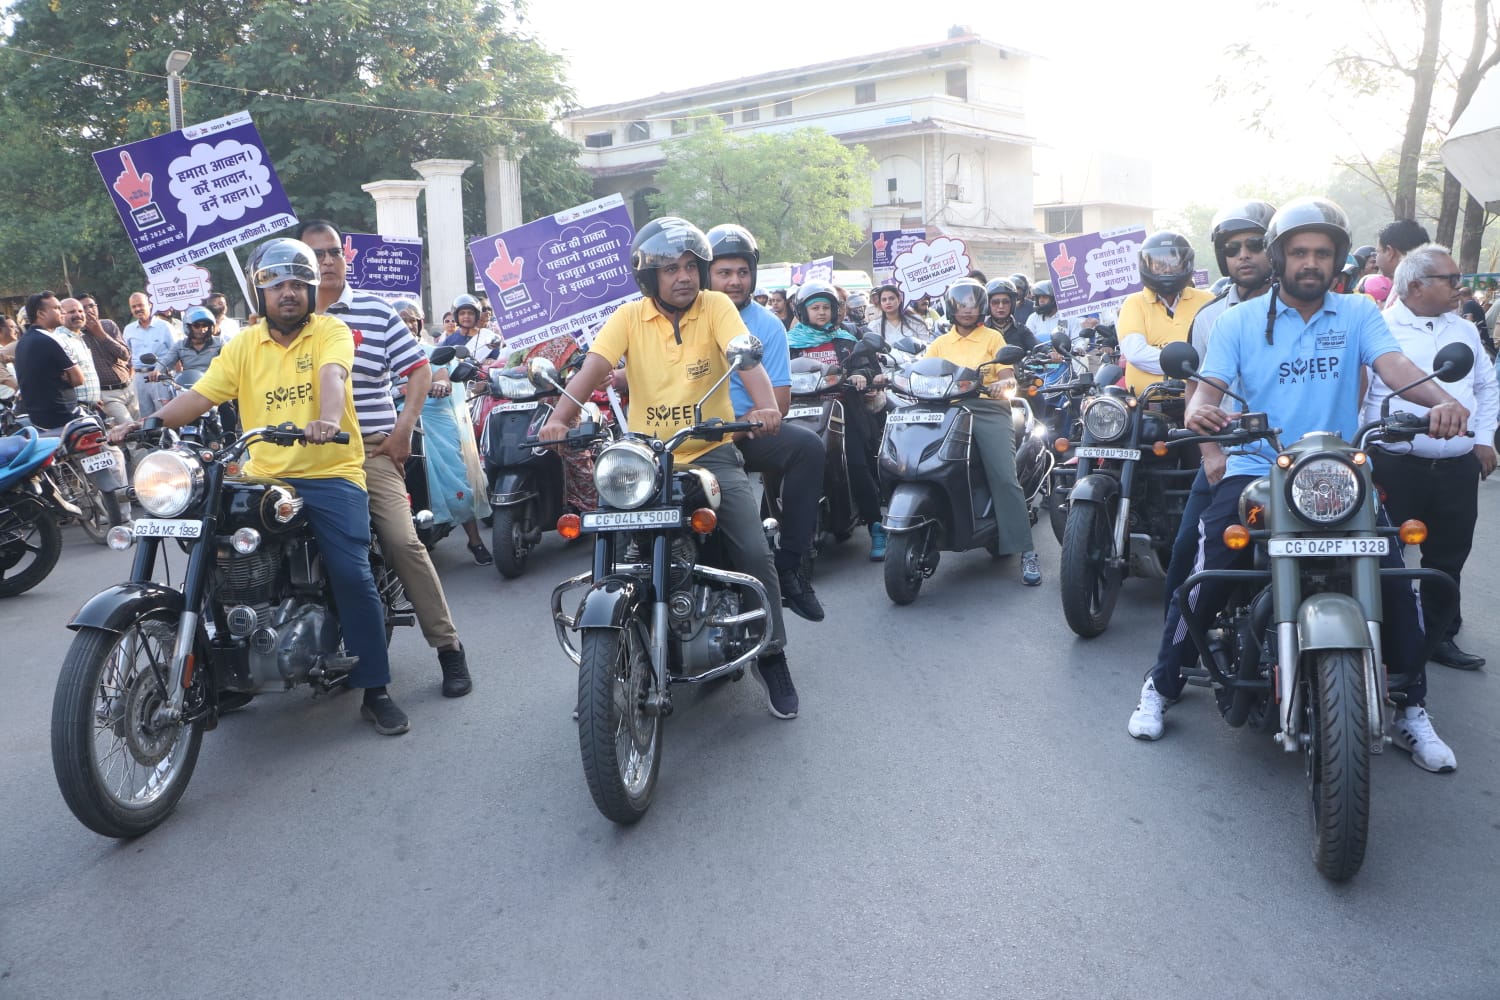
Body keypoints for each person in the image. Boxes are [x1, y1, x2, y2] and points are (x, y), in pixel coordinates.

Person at [1127, 197, 1469, 775]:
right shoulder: (1236, 321)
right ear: (1280, 257)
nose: (1311, 262)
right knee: (1208, 572)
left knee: (1392, 573)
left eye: (1323, 252)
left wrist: (1443, 400)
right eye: (1300, 251)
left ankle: (1410, 706)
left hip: (1338, 473)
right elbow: (1205, 390)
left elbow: (1397, 370)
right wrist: (1204, 419)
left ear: (1337, 259)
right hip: (1256, 469)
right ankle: (1161, 683)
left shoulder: (1359, 314)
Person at [110, 239, 414, 735]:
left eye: (297, 284)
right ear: (260, 293)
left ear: (312, 289)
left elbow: (333, 377)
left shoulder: (331, 330)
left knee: (351, 572)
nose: (288, 293)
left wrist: (326, 420)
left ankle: (375, 687)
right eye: (277, 285)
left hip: (330, 471)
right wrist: (148, 421)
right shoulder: (244, 344)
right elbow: (202, 395)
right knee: (215, 555)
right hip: (263, 475)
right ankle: (226, 668)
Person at [538, 216, 799, 719]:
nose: (682, 276)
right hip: (642, 462)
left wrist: (766, 408)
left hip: (708, 453)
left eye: (688, 266)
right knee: (613, 548)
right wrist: (559, 420)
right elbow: (594, 366)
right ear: (648, 277)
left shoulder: (717, 306)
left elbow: (746, 362)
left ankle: (773, 655)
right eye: (669, 269)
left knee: (751, 548)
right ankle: (604, 670)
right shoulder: (629, 317)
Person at [300, 220, 478, 697]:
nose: (328, 261)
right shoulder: (284, 319)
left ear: (346, 256)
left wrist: (402, 431)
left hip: (370, 451)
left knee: (402, 543)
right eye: (316, 254)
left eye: (334, 251)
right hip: (298, 460)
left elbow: (418, 371)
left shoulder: (376, 312)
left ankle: (449, 649)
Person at [1362, 244, 1498, 676]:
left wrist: (1485, 440)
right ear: (1416, 284)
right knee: (1385, 556)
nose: (1460, 288)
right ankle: (1381, 639)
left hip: (1457, 466)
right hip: (1396, 466)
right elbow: (1362, 398)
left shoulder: (1465, 330)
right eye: (1451, 280)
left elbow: (1486, 387)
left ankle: (1441, 636)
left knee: (1449, 556)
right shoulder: (1380, 331)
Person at [707, 222, 827, 622]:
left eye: (742, 272)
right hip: (689, 437)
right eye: (724, 272)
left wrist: (746, 421)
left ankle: (791, 562)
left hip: (743, 433)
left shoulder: (769, 325)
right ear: (707, 273)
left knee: (810, 447)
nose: (734, 281)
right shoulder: (686, 318)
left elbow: (780, 401)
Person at [1161, 200, 1276, 616]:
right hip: (1229, 454)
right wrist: (1210, 453)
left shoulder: (1308, 309)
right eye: (1232, 248)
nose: (1243, 254)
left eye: (1254, 244)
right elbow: (1194, 390)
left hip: (1295, 457)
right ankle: (1173, 658)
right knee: (1187, 550)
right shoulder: (1210, 317)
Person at [926, 278, 1042, 585]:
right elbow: (923, 372)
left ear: (981, 307)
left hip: (987, 408)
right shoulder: (939, 343)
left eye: (973, 304)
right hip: (946, 409)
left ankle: (1026, 551)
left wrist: (1004, 383)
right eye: (961, 304)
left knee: (1005, 476)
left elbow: (1008, 375)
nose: (967, 310)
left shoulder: (992, 337)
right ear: (951, 308)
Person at [787, 280, 887, 560]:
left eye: (826, 308)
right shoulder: (788, 344)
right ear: (803, 312)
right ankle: (771, 526)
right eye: (815, 308)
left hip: (842, 414)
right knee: (780, 467)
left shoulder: (846, 340)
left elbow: (867, 367)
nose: (821, 312)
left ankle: (877, 527)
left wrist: (860, 376)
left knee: (856, 464)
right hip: (797, 414)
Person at [14, 291, 131, 524]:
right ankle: (124, 514)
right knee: (114, 452)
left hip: (43, 420)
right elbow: (77, 379)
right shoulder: (51, 339)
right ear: (41, 313)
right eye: (57, 308)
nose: (61, 312)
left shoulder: (24, 343)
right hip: (68, 416)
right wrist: (65, 378)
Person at [1117, 231, 1214, 394]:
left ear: (1186, 264)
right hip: (1147, 405)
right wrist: (1188, 365)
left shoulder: (1207, 300)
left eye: (1174, 264)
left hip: (1200, 401)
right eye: (1159, 265)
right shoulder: (1134, 302)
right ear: (1146, 266)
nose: (1167, 270)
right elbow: (1136, 353)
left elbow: (1216, 351)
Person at [78, 293, 137, 424]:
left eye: (91, 306)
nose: (89, 311)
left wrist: (101, 334)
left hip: (129, 387)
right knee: (129, 427)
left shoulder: (108, 325)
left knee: (141, 428)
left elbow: (125, 354)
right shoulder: (77, 335)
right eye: (83, 308)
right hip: (107, 394)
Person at [122, 292, 175, 418]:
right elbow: (127, 356)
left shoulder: (164, 327)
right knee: (145, 418)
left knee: (165, 416)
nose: (137, 309)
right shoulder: (128, 329)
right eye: (134, 307)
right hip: (139, 378)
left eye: (140, 305)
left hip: (161, 377)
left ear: (150, 305)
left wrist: (173, 376)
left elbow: (175, 353)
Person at [152, 306, 222, 385]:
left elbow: (231, 358)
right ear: (188, 326)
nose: (201, 329)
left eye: (205, 325)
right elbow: (167, 360)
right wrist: (157, 370)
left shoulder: (219, 343)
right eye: (196, 325)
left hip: (215, 385)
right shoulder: (180, 345)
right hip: (190, 387)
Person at [52, 298, 101, 408]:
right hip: (75, 408)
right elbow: (63, 377)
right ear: (61, 315)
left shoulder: (79, 338)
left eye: (80, 311)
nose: (78, 315)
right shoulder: (60, 339)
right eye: (71, 312)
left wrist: (95, 400)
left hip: (91, 406)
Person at [442, 293, 504, 360]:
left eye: (470, 313)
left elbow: (497, 362)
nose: (466, 316)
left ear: (477, 315)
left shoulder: (489, 337)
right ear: (456, 317)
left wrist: (490, 361)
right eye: (462, 313)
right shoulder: (449, 341)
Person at [983, 278, 1039, 350]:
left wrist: (1051, 353)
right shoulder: (981, 330)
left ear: (1012, 304)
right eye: (995, 302)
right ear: (988, 305)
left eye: (1006, 302)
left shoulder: (1022, 330)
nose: (1001, 306)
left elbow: (1038, 347)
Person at [1457, 285, 1494, 357]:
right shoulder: (1475, 303)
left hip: (1477, 336)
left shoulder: (1468, 304)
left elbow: (1468, 321)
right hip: (1483, 335)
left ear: (1461, 295)